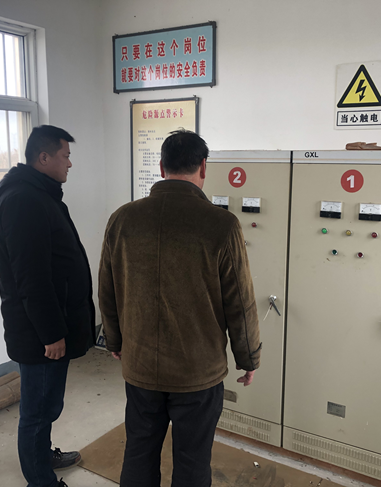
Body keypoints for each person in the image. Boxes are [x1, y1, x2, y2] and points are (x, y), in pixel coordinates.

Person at [98, 129, 261, 487]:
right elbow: (240, 301)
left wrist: (115, 340)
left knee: (139, 451)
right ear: (203, 167)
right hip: (197, 372)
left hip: (140, 366)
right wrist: (248, 357)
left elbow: (107, 289)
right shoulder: (221, 224)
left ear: (161, 167)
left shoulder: (122, 219)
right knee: (192, 460)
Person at [0, 125, 95, 487]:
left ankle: (42, 455)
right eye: (66, 155)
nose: (70, 163)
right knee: (37, 411)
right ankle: (40, 480)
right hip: (40, 334)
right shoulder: (24, 201)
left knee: (48, 405)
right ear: (44, 157)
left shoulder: (39, 195)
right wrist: (51, 334)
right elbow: (31, 278)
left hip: (48, 327)